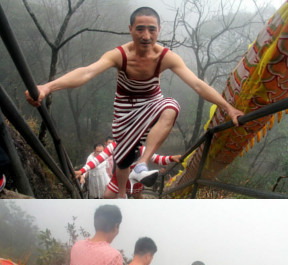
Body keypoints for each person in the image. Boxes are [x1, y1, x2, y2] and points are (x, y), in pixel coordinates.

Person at [26, 7, 243, 199]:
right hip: (125, 110)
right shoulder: (120, 55)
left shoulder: (166, 57)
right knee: (123, 159)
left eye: (152, 29)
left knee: (172, 106)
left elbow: (197, 84)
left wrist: (228, 107)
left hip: (152, 102)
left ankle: (142, 164)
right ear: (130, 29)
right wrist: (47, 87)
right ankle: (122, 194)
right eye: (140, 29)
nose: (146, 35)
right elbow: (87, 72)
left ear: (159, 29)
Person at [75, 141, 181, 199]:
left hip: (135, 177)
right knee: (107, 195)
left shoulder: (141, 148)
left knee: (137, 196)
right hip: (119, 177)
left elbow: (158, 158)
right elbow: (98, 159)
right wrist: (82, 171)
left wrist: (171, 158)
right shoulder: (114, 146)